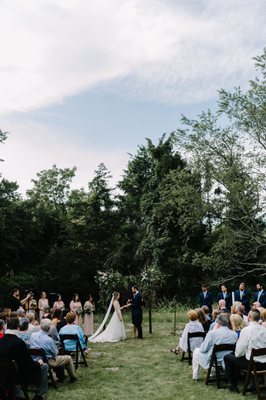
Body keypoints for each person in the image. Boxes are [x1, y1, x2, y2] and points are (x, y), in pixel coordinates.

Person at [0, 317, 48, 400]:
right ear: (18, 327)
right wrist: (38, 363)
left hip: (3, 374)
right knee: (44, 366)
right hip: (16, 375)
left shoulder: (1, 340)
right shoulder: (19, 342)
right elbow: (28, 364)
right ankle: (40, 394)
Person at [224, 309, 266, 393]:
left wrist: (237, 355)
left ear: (249, 317)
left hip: (253, 364)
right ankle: (253, 383)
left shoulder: (246, 330)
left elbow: (239, 352)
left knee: (227, 357)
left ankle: (234, 386)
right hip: (264, 363)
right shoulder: (264, 329)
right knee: (238, 355)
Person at [29, 318, 77, 383]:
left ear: (40, 326)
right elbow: (55, 354)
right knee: (68, 358)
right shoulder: (49, 339)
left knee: (57, 357)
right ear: (49, 328)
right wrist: (57, 349)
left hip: (34, 359)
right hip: (47, 361)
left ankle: (61, 375)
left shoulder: (32, 335)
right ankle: (72, 377)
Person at [192, 313, 238, 380]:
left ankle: (195, 376)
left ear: (218, 322)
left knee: (196, 351)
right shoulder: (234, 334)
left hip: (214, 359)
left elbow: (203, 349)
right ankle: (213, 373)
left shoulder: (212, 333)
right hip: (227, 359)